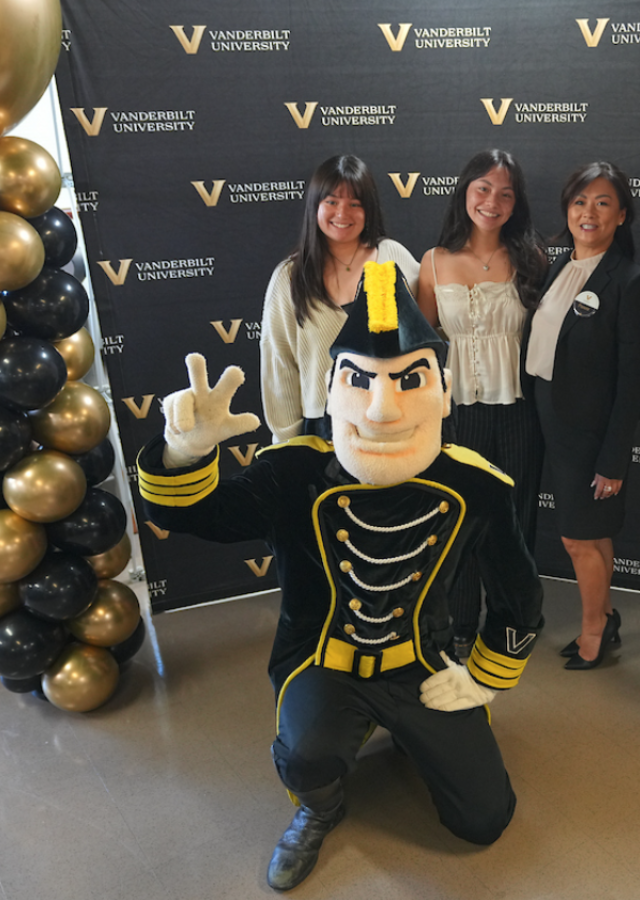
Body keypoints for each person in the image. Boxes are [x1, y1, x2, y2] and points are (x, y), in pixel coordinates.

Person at [138, 261, 543, 892]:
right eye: (361, 380)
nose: (382, 411)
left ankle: (421, 738)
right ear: (332, 388)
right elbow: (200, 517)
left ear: (440, 390)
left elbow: (520, 594)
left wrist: (486, 674)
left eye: (408, 381)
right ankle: (319, 806)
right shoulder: (294, 473)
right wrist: (183, 455)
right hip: (322, 661)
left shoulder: (475, 485)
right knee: (305, 754)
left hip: (424, 663)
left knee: (485, 820)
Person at [522, 161, 640, 670]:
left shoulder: (633, 281)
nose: (589, 212)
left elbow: (632, 380)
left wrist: (614, 458)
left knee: (579, 537)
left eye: (603, 203)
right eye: (581, 201)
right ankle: (604, 617)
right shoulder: (558, 266)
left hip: (587, 430)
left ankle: (593, 634)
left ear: (622, 215)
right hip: (546, 411)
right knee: (595, 533)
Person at [415, 149, 547, 656]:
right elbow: (424, 347)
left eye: (506, 193)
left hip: (518, 410)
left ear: (517, 203)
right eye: (483, 189)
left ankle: (514, 622)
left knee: (514, 519)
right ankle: (461, 624)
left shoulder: (532, 257)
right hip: (457, 413)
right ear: (465, 192)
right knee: (460, 517)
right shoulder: (432, 261)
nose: (493, 201)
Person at [261, 154, 420, 442]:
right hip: (322, 426)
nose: (342, 213)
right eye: (331, 202)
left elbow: (427, 338)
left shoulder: (393, 258)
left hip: (391, 417)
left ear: (368, 209)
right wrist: (287, 443)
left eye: (355, 204)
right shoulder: (290, 277)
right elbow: (279, 364)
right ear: (315, 206)